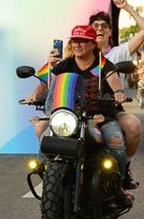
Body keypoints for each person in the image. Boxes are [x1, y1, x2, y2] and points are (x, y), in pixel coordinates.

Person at [31, 24, 129, 176]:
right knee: (43, 132)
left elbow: (115, 81)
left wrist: (119, 92)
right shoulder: (65, 64)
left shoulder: (103, 64)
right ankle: (47, 174)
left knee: (116, 142)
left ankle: (120, 180)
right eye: (74, 41)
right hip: (68, 116)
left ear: (92, 44)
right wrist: (35, 94)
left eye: (82, 41)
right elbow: (46, 84)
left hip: (98, 117)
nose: (77, 44)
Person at [89, 0, 144, 187]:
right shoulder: (80, 53)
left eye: (104, 26)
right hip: (81, 110)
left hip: (111, 110)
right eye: (95, 25)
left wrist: (127, 8)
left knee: (133, 126)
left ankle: (125, 169)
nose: (99, 29)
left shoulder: (119, 52)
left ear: (110, 31)